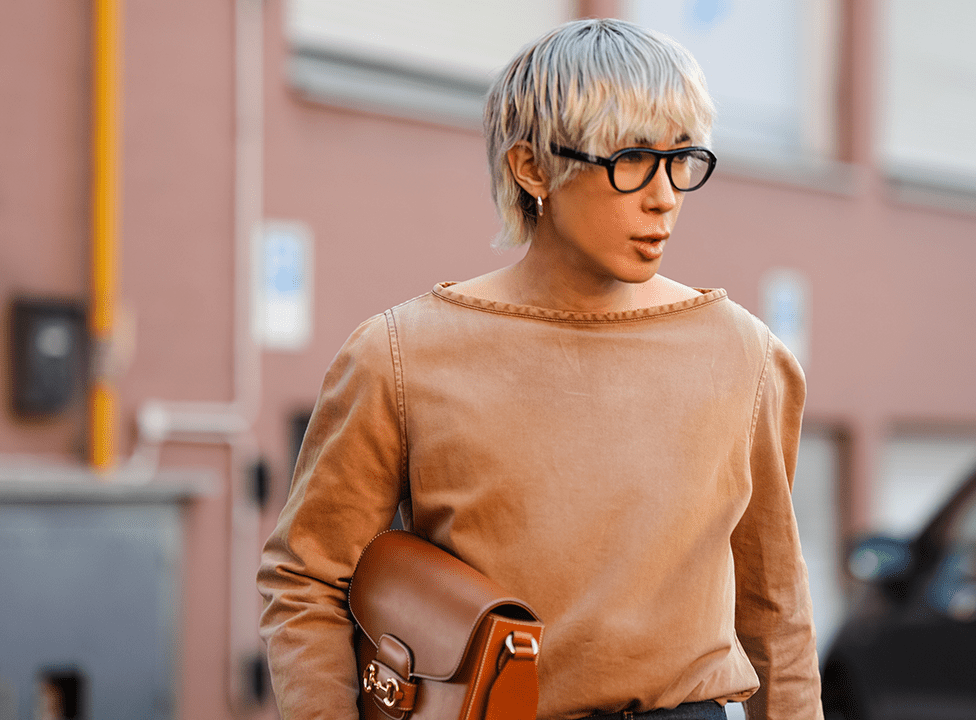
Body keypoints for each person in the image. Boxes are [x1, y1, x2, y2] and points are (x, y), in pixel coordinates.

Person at [257, 17, 821, 720]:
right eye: (632, 158)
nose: (665, 196)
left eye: (681, 159)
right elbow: (307, 579)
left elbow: (776, 609)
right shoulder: (400, 354)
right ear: (532, 168)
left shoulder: (745, 354)